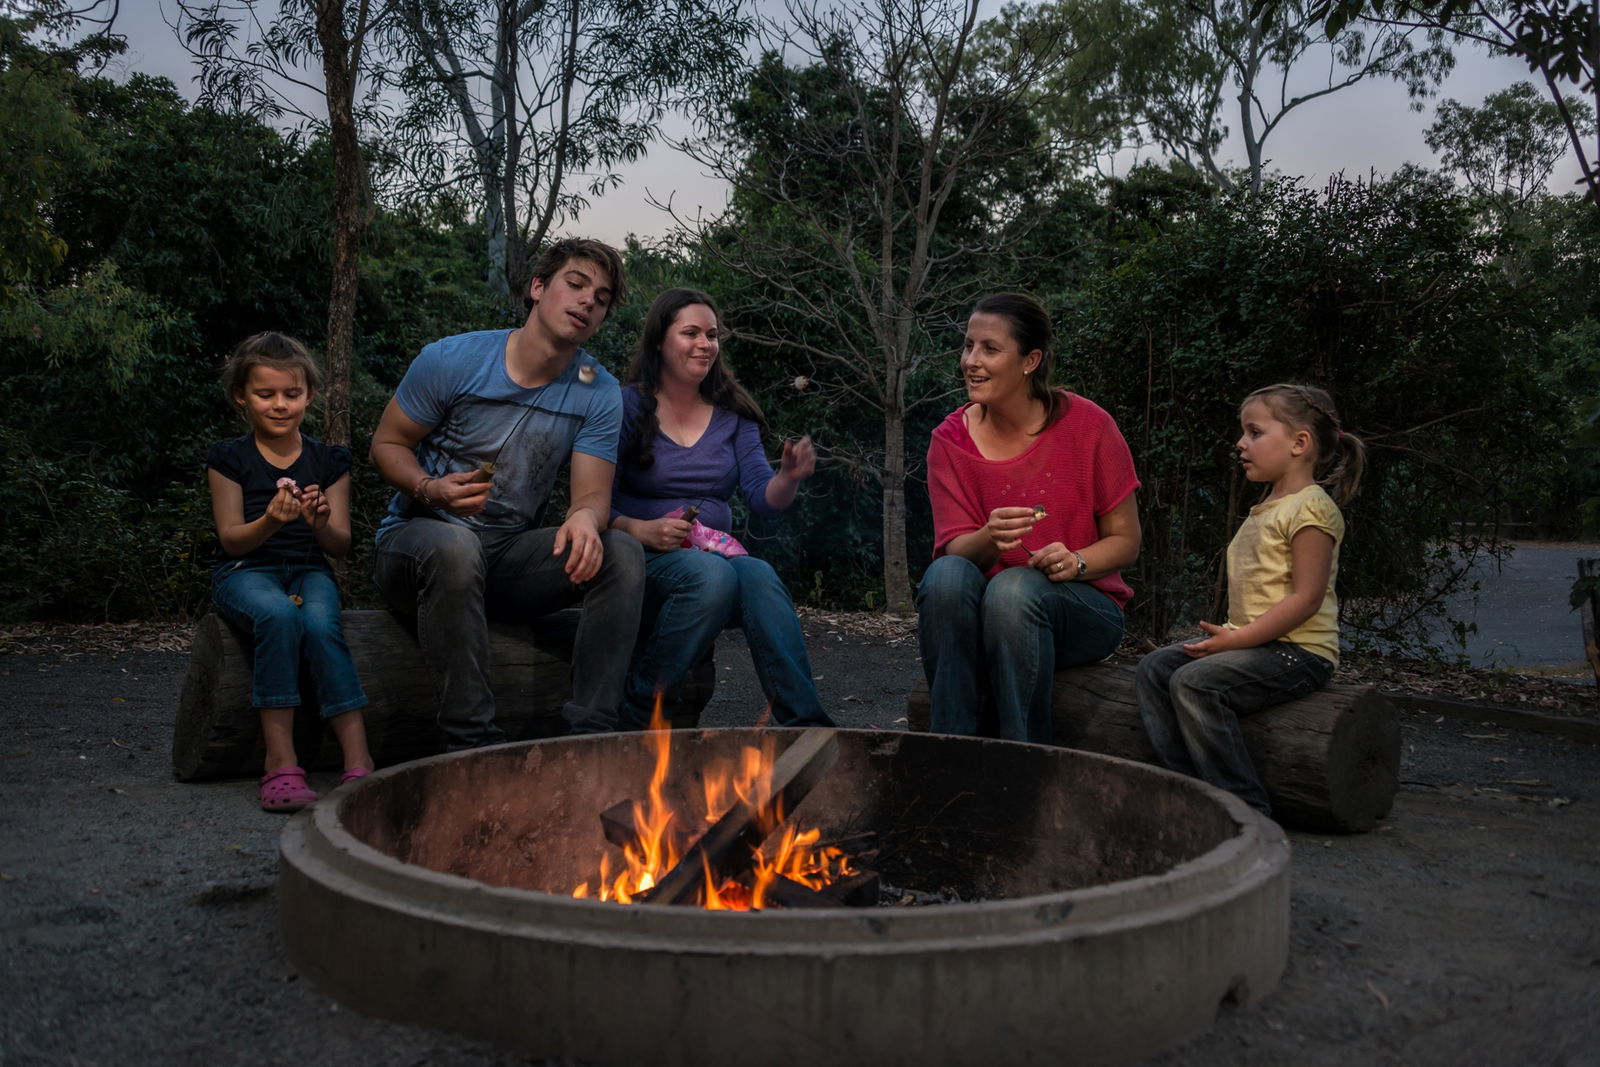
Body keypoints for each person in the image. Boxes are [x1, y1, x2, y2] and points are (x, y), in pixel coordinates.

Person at [369, 238, 645, 747]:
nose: (588, 301)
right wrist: (430, 489)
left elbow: (591, 496)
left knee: (620, 552)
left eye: (601, 298)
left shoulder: (597, 389)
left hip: (505, 562)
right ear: (538, 288)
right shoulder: (452, 360)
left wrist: (585, 518)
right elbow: (386, 445)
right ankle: (470, 742)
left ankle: (592, 738)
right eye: (576, 284)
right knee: (455, 547)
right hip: (417, 545)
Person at [917, 292, 1142, 743]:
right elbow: (956, 551)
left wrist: (1075, 561)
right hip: (986, 614)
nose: (971, 361)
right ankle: (950, 756)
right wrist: (989, 536)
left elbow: (1126, 541)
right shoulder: (949, 440)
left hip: (1080, 608)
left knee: (1013, 588)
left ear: (1030, 360)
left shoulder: (1089, 426)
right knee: (945, 577)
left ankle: (1022, 765)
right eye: (968, 346)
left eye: (990, 349)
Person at [1136, 383, 1367, 815]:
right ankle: (1189, 790)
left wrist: (1235, 642)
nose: (1241, 443)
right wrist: (1236, 639)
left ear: (1300, 443)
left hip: (1299, 653)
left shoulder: (1311, 509)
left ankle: (1244, 810)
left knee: (1194, 681)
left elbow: (1306, 599)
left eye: (1255, 432)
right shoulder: (1268, 507)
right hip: (1254, 644)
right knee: (1155, 668)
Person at [610, 288, 834, 729]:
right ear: (659, 341)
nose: (705, 344)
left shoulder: (733, 414)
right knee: (712, 575)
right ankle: (641, 712)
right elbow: (594, 497)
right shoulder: (624, 406)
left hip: (713, 563)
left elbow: (760, 497)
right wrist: (641, 529)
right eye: (690, 332)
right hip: (641, 562)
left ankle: (805, 725)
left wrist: (786, 478)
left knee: (760, 575)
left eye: (712, 335)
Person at [206, 332, 373, 812]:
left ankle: (359, 761)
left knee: (321, 624)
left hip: (308, 569)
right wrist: (271, 521)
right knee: (278, 616)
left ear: (310, 396)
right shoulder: (229, 458)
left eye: (292, 394)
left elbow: (340, 546)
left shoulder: (328, 461)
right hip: (244, 571)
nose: (280, 405)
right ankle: (281, 764)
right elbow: (231, 538)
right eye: (266, 394)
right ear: (242, 396)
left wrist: (318, 521)